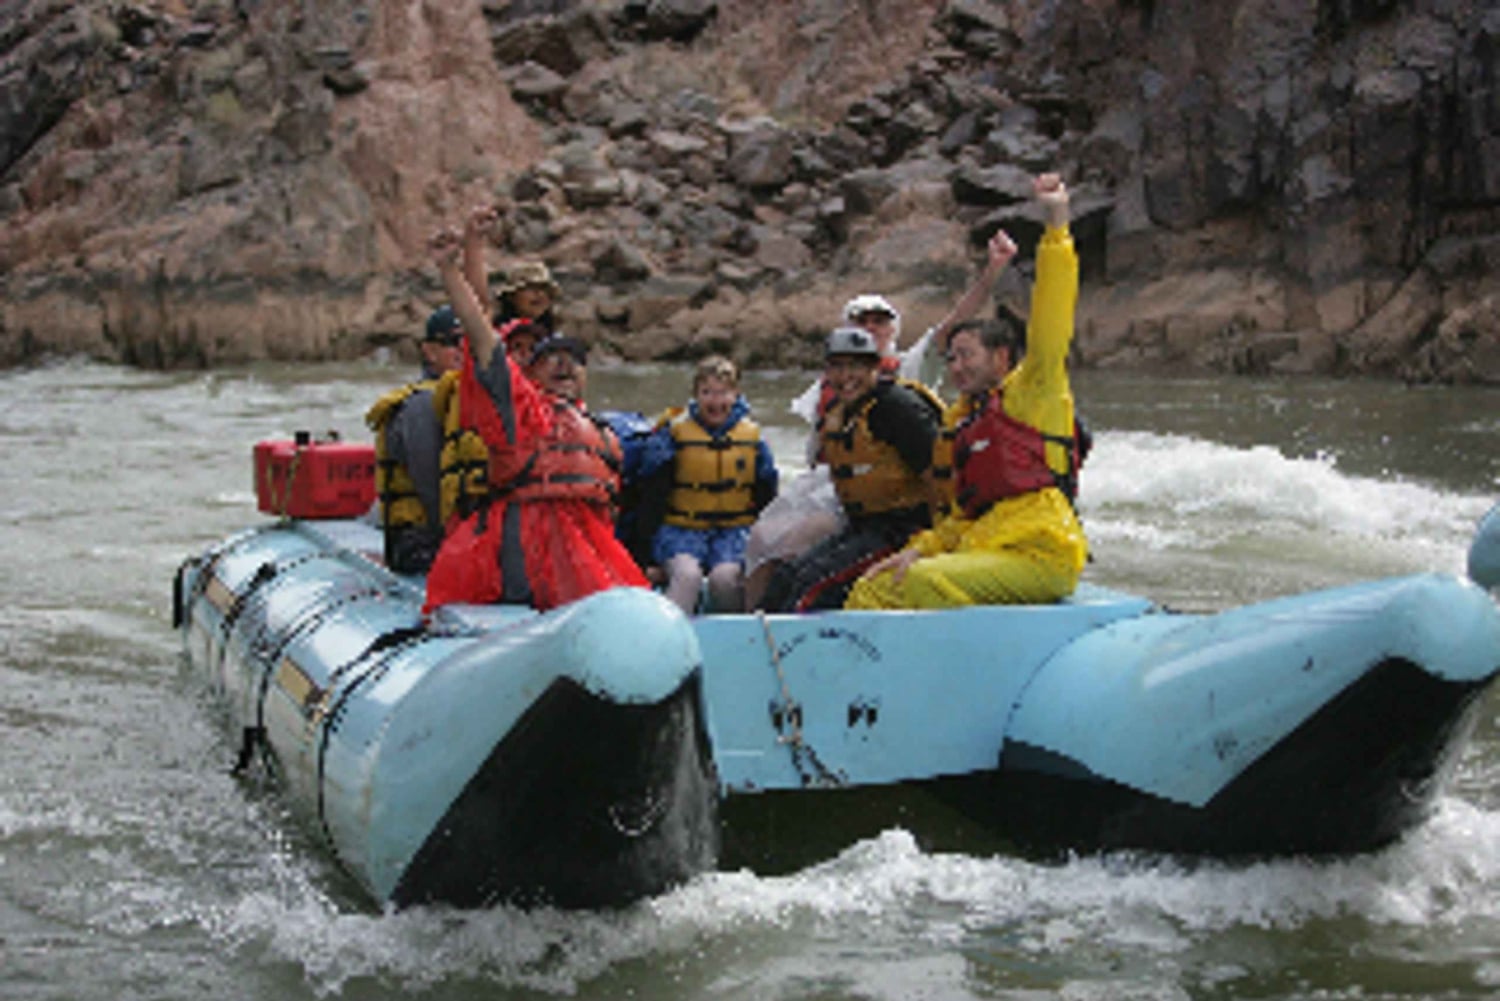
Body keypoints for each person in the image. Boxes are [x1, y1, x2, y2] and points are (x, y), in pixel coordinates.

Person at [847, 173, 1090, 610]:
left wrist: (1056, 222)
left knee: (922, 582)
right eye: (952, 358)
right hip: (988, 544)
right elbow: (964, 517)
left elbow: (1052, 316)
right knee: (874, 585)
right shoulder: (962, 420)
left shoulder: (1037, 390)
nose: (956, 367)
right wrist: (920, 546)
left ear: (1000, 358)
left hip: (1041, 551)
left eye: (966, 356)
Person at [742, 230, 1020, 609]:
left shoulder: (900, 389)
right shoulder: (833, 400)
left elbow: (938, 477)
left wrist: (992, 271)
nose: (870, 328)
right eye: (861, 321)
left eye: (879, 321)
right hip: (852, 507)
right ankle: (754, 634)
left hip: (902, 524)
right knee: (780, 568)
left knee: (809, 585)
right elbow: (819, 455)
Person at [422, 226, 646, 613]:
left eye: (573, 360)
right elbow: (481, 332)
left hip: (589, 552)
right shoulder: (522, 413)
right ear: (530, 374)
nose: (564, 365)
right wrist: (451, 269)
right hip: (523, 553)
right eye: (549, 359)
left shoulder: (602, 431)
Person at [759, 327, 943, 611]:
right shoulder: (838, 413)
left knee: (811, 586)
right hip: (864, 527)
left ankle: (801, 650)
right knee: (786, 576)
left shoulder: (897, 408)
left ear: (874, 367)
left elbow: (940, 478)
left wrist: (933, 542)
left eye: (856, 366)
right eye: (837, 367)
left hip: (906, 529)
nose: (846, 377)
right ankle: (761, 645)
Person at [636, 355, 779, 613]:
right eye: (707, 393)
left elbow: (767, 494)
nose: (715, 401)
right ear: (695, 395)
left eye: (723, 393)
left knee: (724, 580)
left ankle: (734, 639)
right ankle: (667, 641)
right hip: (681, 532)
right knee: (687, 576)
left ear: (736, 394)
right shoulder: (673, 434)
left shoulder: (753, 438)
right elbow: (650, 494)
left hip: (733, 533)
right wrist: (643, 556)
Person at [364, 305, 465, 574]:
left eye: (470, 341)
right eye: (453, 342)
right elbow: (430, 485)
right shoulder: (422, 406)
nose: (463, 349)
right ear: (429, 351)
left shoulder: (470, 400)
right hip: (420, 542)